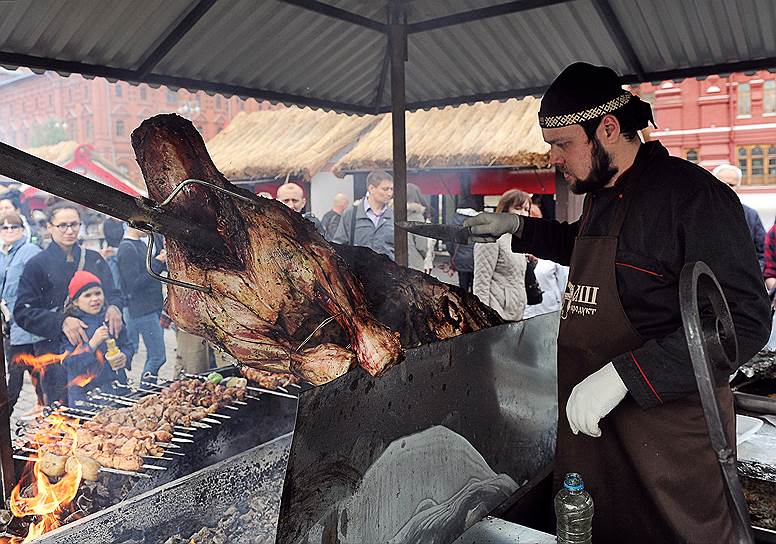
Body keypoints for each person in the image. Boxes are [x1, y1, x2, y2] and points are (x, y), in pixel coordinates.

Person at [464, 62, 770, 542]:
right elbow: (582, 246)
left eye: (563, 144)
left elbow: (745, 323)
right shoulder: (601, 193)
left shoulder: (693, 198)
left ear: (608, 128)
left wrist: (627, 375)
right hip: (595, 440)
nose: (554, 160)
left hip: (669, 445)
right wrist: (518, 229)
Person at [14, 202, 123, 405]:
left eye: (74, 224)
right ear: (49, 227)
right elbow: (22, 312)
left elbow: (114, 293)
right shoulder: (36, 265)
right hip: (55, 354)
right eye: (62, 225)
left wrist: (115, 307)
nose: (70, 231)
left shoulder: (94, 258)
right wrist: (61, 321)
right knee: (62, 415)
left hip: (97, 356)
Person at [60, 271, 129, 406]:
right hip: (85, 396)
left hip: (115, 389)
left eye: (98, 293)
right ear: (75, 302)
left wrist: (125, 356)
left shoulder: (111, 319)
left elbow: (128, 345)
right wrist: (91, 345)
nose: (95, 299)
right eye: (87, 295)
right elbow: (69, 364)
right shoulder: (74, 327)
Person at [0, 211, 44, 415]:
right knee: (33, 367)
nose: (9, 231)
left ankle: (5, 415)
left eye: (14, 227)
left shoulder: (29, 251)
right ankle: (43, 405)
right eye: (5, 227)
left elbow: (39, 286)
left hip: (26, 322)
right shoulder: (6, 254)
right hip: (11, 323)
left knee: (16, 371)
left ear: (22, 229)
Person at [117, 226, 167, 379]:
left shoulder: (141, 243)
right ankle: (145, 389)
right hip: (142, 310)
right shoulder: (127, 248)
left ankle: (147, 388)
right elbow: (134, 285)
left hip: (152, 307)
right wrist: (157, 263)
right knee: (157, 357)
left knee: (156, 356)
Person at [473, 190, 529, 321]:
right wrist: (482, 315)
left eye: (527, 209)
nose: (523, 213)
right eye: (518, 208)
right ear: (505, 209)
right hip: (496, 313)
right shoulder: (492, 237)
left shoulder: (518, 239)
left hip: (516, 312)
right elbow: (481, 281)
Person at [713, 163, 765, 270]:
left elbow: (763, 253)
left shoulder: (751, 215)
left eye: (731, 185)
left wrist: (753, 274)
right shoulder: (698, 214)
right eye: (722, 183)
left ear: (738, 187)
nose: (726, 188)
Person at [333, 170, 395, 259]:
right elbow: (338, 246)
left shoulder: (394, 215)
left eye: (391, 189)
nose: (389, 193)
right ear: (371, 189)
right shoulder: (352, 214)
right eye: (385, 189)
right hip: (359, 271)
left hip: (388, 271)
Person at [447, 195, 483, 292]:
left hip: (460, 260)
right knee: (477, 288)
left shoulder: (453, 221)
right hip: (477, 259)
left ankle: (464, 305)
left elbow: (449, 243)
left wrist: (453, 255)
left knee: (463, 287)